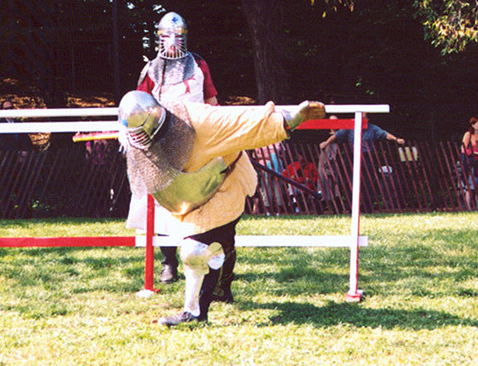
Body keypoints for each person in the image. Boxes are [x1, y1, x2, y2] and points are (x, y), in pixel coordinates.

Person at [118, 90, 325, 326]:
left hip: (226, 184)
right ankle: (220, 285)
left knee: (194, 250)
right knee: (214, 247)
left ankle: (194, 312)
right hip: (192, 194)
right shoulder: (138, 135)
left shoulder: (199, 120)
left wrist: (291, 118)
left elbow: (244, 121)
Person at [133, 12, 219, 287]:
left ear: (184, 37)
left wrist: (217, 131)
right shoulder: (151, 70)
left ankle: (202, 257)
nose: (172, 41)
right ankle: (168, 262)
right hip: (161, 142)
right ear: (158, 39)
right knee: (161, 204)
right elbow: (139, 105)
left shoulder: (198, 65)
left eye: (177, 36)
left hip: (195, 138)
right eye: (166, 36)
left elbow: (211, 100)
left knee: (198, 200)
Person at [319, 112, 404, 212]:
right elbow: (336, 135)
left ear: (367, 118)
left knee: (368, 183)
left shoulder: (372, 128)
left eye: (364, 118)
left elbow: (385, 134)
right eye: (360, 117)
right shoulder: (351, 126)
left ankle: (368, 208)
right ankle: (352, 208)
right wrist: (326, 143)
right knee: (351, 182)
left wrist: (396, 139)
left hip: (367, 157)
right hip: (352, 156)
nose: (362, 120)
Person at [460, 117, 478, 211]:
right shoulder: (468, 134)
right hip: (471, 162)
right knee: (471, 185)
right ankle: (468, 207)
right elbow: (464, 148)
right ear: (473, 125)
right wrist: (473, 153)